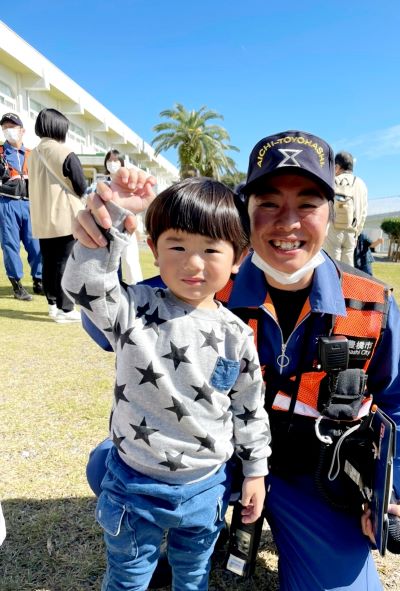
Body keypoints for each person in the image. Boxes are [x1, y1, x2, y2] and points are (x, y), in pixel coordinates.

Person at [75, 130, 400, 591]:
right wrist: (98, 238)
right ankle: (168, 543)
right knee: (107, 463)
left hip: (316, 473)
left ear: (330, 213)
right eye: (268, 203)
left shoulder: (370, 302)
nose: (288, 222)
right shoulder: (201, 282)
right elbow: (106, 318)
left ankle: (271, 529)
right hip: (218, 461)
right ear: (245, 213)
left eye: (307, 203)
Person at [62, 176, 271, 591]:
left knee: (192, 577)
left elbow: (249, 407)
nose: (193, 263)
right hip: (132, 483)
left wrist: (254, 472)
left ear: (237, 258)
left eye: (211, 249)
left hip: (205, 486)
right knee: (127, 578)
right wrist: (114, 218)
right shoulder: (133, 308)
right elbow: (84, 286)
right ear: (154, 250)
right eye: (177, 246)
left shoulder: (237, 334)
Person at [27, 108, 88, 323]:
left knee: (49, 263)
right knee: (66, 263)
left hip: (42, 218)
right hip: (65, 216)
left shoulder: (33, 154)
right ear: (59, 127)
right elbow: (81, 185)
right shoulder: (64, 152)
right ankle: (66, 309)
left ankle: (52, 304)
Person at [0, 112, 43, 300]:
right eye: (5, 127)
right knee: (10, 245)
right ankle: (16, 284)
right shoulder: (0, 153)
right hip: (7, 203)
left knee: (35, 244)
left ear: (22, 130)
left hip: (30, 203)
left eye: (12, 126)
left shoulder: (32, 155)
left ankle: (39, 280)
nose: (8, 130)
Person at [103, 149, 143, 284]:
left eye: (116, 160)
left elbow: (135, 207)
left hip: (127, 227)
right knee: (109, 263)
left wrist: (136, 229)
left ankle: (137, 290)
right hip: (108, 229)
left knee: (130, 260)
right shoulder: (101, 183)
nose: (112, 163)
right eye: (110, 160)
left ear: (121, 163)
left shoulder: (129, 183)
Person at [323, 150, 368, 266]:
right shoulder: (361, 184)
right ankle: (347, 284)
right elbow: (363, 212)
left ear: (337, 167)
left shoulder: (333, 181)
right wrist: (357, 233)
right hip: (352, 230)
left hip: (333, 230)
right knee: (347, 267)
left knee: (332, 265)